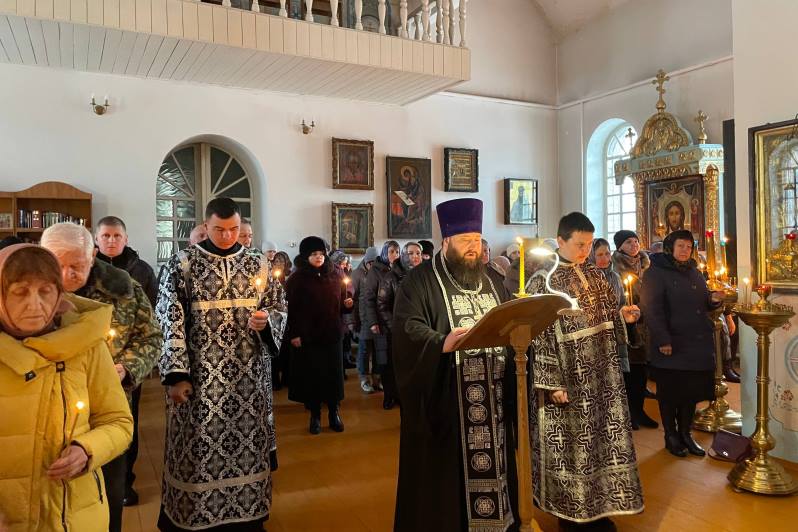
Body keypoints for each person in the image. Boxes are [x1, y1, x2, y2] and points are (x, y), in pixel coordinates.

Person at [156, 198, 283, 531]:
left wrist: (266, 321)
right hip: (200, 381)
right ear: (205, 225)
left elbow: (279, 306)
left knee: (247, 449)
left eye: (234, 229)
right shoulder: (182, 263)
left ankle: (247, 517)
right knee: (197, 452)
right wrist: (177, 374)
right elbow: (170, 318)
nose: (228, 236)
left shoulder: (259, 264)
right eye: (219, 230)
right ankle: (197, 516)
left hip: (248, 381)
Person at [392, 198, 518, 532]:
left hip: (492, 404)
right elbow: (408, 327)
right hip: (448, 406)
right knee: (449, 486)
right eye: (466, 242)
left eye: (477, 241)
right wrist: (440, 343)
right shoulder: (419, 281)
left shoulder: (492, 280)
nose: (473, 249)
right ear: (446, 241)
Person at [0, 244, 133, 532]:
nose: (35, 305)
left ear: (59, 294)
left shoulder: (86, 345)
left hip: (75, 515)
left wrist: (88, 449)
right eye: (20, 292)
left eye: (45, 291)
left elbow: (118, 421)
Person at [41, 222, 162, 532]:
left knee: (108, 494)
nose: (67, 274)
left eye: (76, 266)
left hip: (105, 412)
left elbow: (151, 337)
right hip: (44, 414)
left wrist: (128, 368)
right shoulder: (27, 292)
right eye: (58, 263)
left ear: (92, 256)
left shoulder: (124, 288)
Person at [529, 212, 643, 531]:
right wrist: (552, 382)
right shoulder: (543, 280)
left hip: (602, 375)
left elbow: (606, 313)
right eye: (579, 244)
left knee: (601, 446)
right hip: (569, 378)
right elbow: (538, 336)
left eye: (589, 244)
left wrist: (624, 316)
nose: (585, 251)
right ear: (561, 240)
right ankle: (570, 515)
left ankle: (600, 508)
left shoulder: (595, 273)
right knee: (572, 449)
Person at [641, 229, 724, 458]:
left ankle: (686, 434)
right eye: (681, 246)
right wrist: (663, 339)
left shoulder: (695, 271)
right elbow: (651, 309)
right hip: (672, 343)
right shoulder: (656, 272)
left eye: (689, 247)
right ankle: (671, 436)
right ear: (670, 247)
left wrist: (713, 300)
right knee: (670, 393)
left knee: (691, 392)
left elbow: (702, 301)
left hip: (695, 343)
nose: (685, 251)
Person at [94, 215, 159, 506]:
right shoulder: (84, 271)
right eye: (105, 236)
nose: (111, 241)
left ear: (126, 239)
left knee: (126, 424)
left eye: (116, 236)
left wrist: (132, 365)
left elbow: (151, 316)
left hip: (127, 365)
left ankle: (124, 483)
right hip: (92, 363)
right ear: (96, 239)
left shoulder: (141, 271)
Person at [286, 237, 354, 434]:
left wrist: (348, 305)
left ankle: (334, 413)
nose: (318, 257)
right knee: (313, 378)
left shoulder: (335, 275)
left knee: (333, 377)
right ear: (306, 256)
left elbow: (342, 304)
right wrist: (295, 334)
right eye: (314, 254)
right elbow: (291, 309)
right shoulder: (297, 279)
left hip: (332, 334)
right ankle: (315, 416)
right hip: (309, 337)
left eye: (321, 254)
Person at [612, 229, 659, 430]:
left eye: (636, 241)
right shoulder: (614, 267)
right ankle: (628, 413)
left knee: (642, 372)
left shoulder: (647, 265)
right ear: (620, 246)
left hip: (646, 324)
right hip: (627, 327)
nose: (634, 245)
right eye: (629, 242)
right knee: (628, 373)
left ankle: (639, 411)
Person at [376, 242, 422, 410]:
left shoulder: (424, 276)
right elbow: (382, 304)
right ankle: (390, 395)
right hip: (397, 330)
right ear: (403, 255)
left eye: (418, 253)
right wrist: (394, 326)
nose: (415, 256)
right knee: (393, 366)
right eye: (410, 253)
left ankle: (410, 396)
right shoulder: (391, 277)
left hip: (419, 329)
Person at [362, 241, 401, 393]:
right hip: (381, 318)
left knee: (394, 354)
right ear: (385, 253)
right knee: (382, 354)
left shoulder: (399, 269)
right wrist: (372, 321)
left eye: (397, 252)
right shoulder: (375, 271)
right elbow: (369, 298)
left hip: (396, 318)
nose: (395, 255)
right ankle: (381, 380)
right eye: (391, 252)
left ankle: (392, 383)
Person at [352, 247, 379, 392]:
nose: (373, 265)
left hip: (378, 319)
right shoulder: (357, 274)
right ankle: (364, 379)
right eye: (370, 262)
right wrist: (351, 320)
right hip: (363, 320)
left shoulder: (381, 271)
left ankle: (376, 378)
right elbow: (351, 299)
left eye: (376, 262)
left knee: (378, 350)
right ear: (366, 262)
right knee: (364, 351)